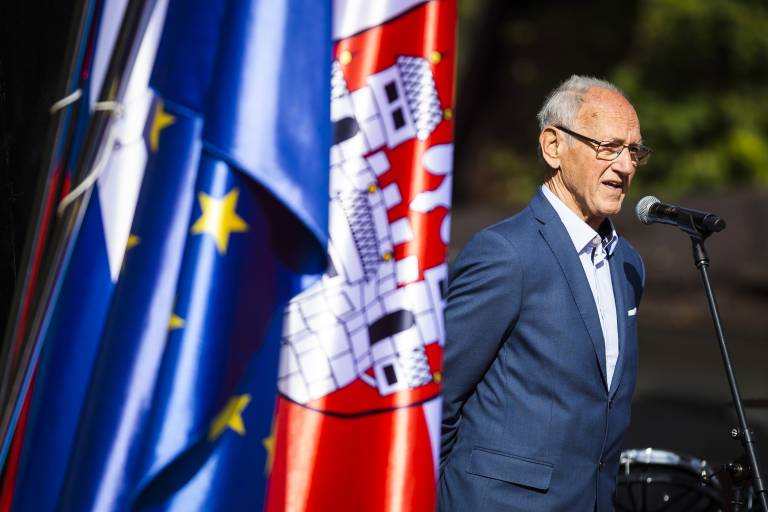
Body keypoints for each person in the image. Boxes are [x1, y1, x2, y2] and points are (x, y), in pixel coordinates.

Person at [438, 75, 648, 511]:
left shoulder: (629, 264)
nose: (626, 166)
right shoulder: (505, 253)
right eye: (609, 147)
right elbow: (438, 399)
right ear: (554, 146)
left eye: (633, 151)